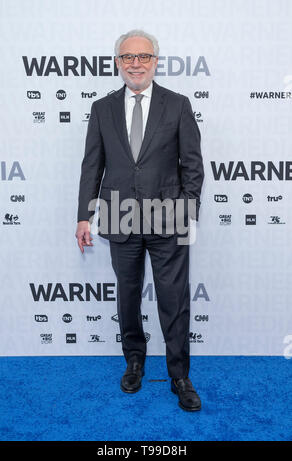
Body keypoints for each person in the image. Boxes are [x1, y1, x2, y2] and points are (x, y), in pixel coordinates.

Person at [75, 30, 204, 412]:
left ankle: (179, 375)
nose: (135, 63)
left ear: (155, 61)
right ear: (117, 62)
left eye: (143, 57)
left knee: (173, 299)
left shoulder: (178, 105)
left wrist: (186, 210)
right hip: (118, 215)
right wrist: (84, 215)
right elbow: (91, 166)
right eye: (128, 57)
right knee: (128, 295)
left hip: (168, 218)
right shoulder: (102, 109)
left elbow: (193, 166)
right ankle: (134, 361)